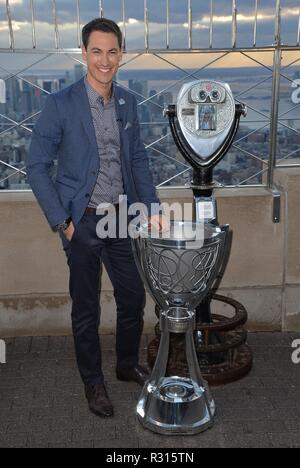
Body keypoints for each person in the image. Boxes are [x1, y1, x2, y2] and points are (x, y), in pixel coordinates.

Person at [26, 18, 167, 418]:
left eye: (112, 51)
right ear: (84, 53)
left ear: (121, 54)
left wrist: (152, 207)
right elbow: (36, 166)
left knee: (134, 297)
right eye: (96, 51)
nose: (105, 60)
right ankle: (94, 383)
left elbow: (136, 159)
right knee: (85, 308)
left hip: (121, 218)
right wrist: (63, 224)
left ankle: (125, 364)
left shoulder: (127, 100)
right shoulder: (61, 103)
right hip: (81, 221)